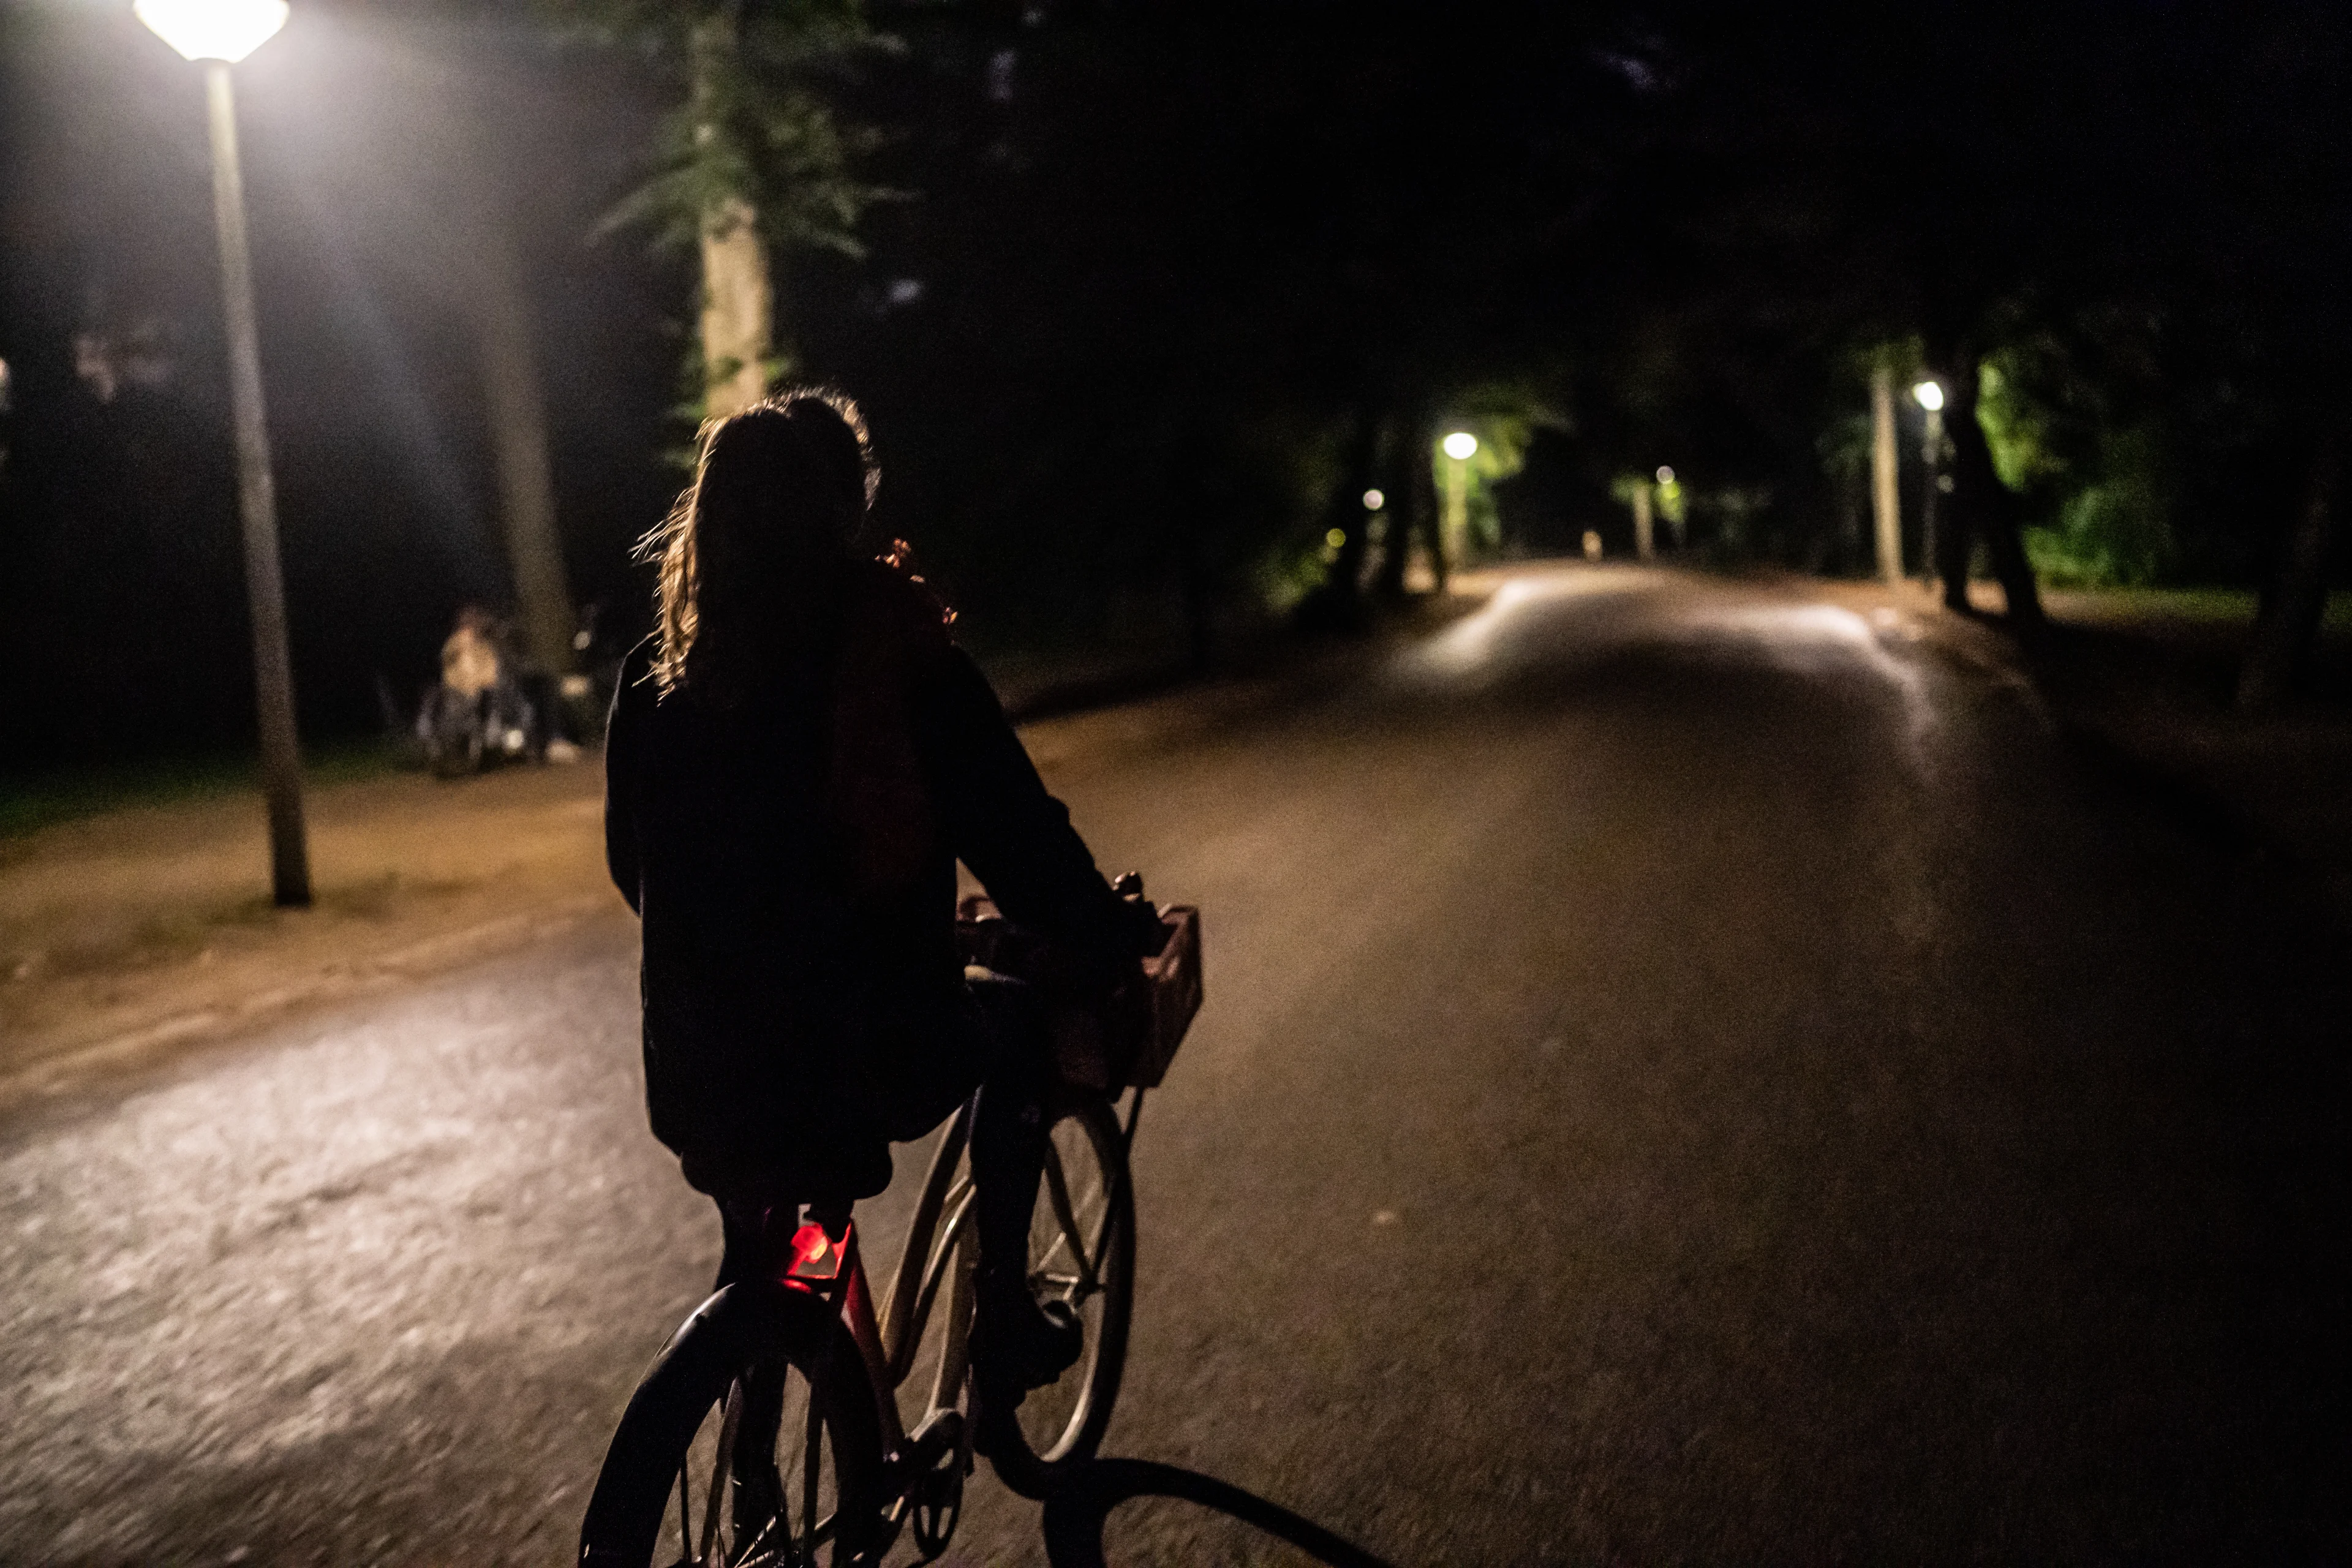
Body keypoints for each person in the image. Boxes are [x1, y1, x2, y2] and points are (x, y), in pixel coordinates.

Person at [602, 388, 1153, 1403]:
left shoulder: (655, 674)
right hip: (866, 1053)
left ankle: (754, 1474)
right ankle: (1005, 1316)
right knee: (1023, 1027)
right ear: (844, 508)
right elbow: (1019, 840)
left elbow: (635, 871)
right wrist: (1105, 934)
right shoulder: (898, 657)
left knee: (761, 1232)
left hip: (698, 1060)